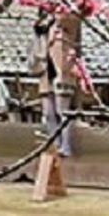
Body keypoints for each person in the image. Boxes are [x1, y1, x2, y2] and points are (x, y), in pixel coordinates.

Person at [31, 10, 79, 158]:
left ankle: (65, 145)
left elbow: (70, 19)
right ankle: (54, 143)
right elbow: (37, 53)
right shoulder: (42, 32)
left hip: (62, 75)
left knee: (62, 112)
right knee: (48, 112)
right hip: (46, 75)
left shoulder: (65, 28)